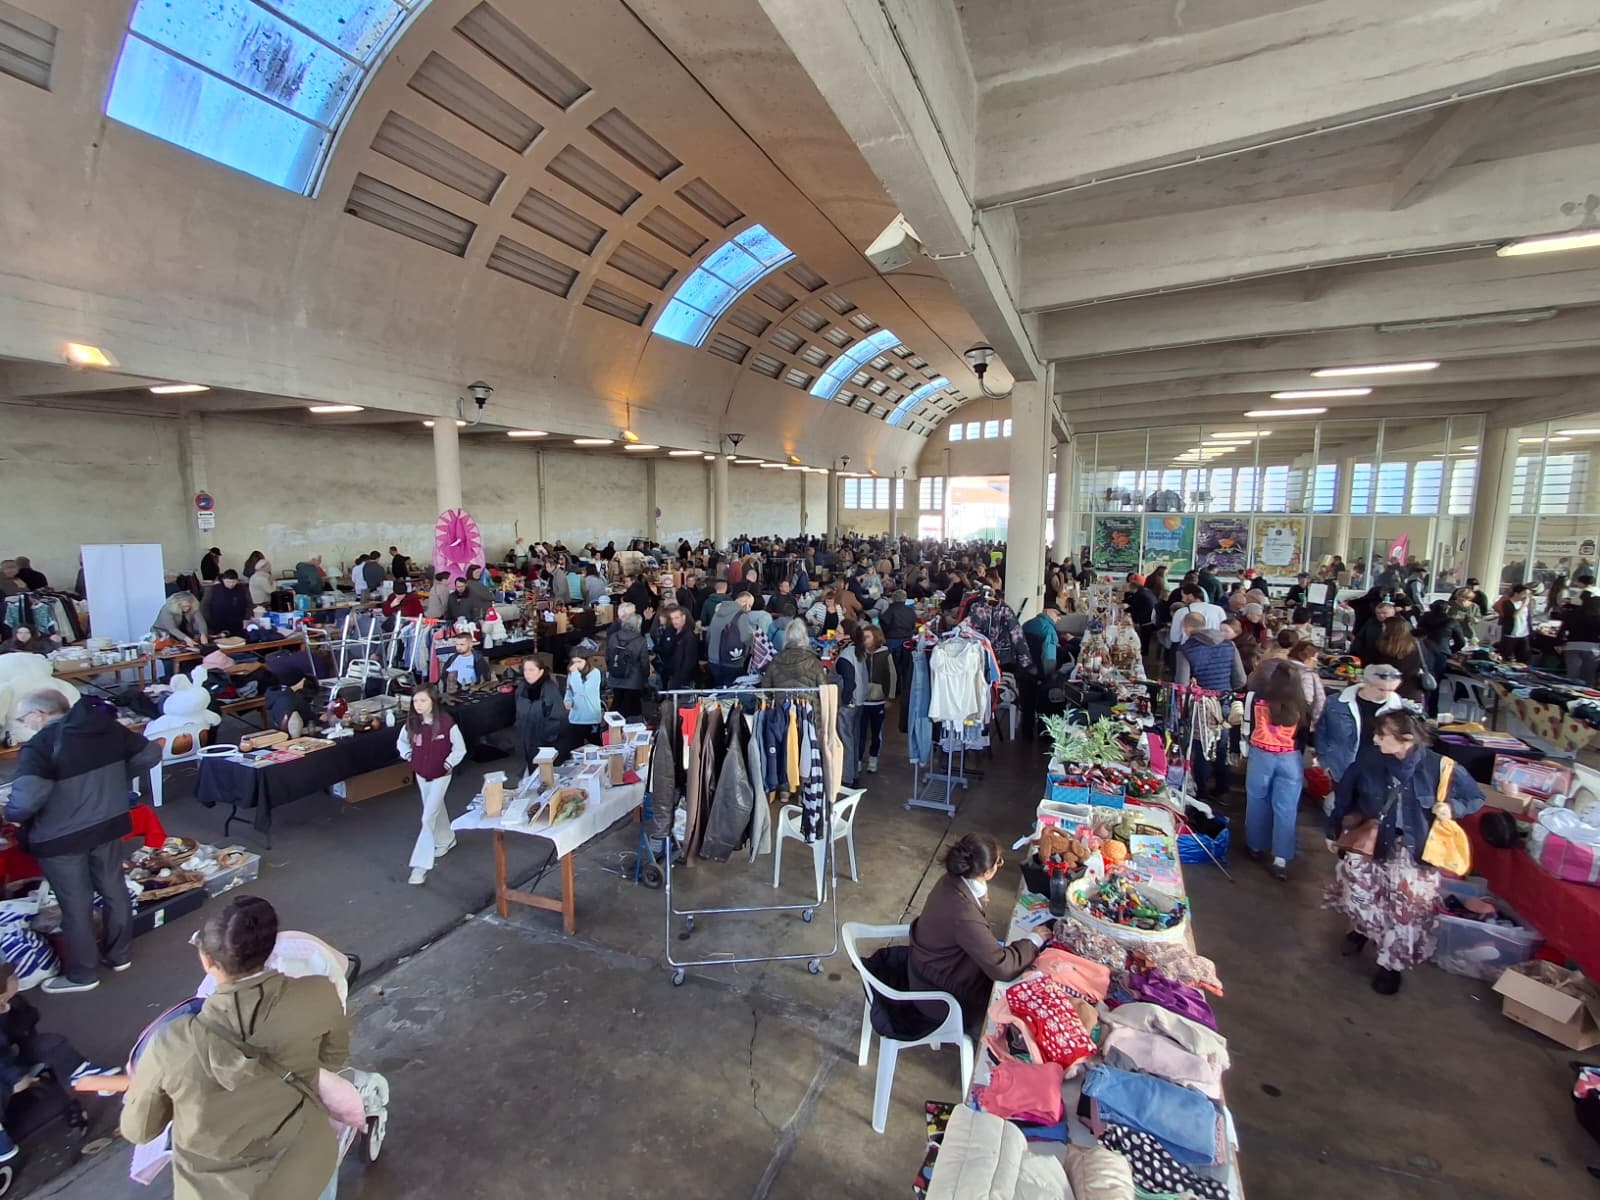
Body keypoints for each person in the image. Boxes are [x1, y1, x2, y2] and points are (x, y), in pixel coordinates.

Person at [121, 895, 349, 1198]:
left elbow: (139, 1130)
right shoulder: (319, 993)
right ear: (270, 949)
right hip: (305, 1167)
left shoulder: (170, 1043)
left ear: (207, 960)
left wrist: (145, 1090)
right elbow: (332, 1060)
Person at [5, 692, 159, 993]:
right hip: (109, 823)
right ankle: (119, 955)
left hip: (61, 837)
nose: (24, 724)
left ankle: (84, 974)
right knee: (114, 888)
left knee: (76, 904)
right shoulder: (105, 727)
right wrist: (117, 778)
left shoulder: (41, 744)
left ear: (39, 714)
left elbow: (27, 799)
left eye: (23, 718)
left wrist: (12, 814)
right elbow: (151, 754)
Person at [1324, 711, 1485, 995]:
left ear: (1406, 740)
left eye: (1382, 735)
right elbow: (1345, 796)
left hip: (1415, 849)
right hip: (1372, 842)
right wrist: (1333, 830)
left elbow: (1475, 797)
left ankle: (1391, 965)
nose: (1375, 740)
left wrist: (1452, 808)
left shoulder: (1440, 766)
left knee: (1407, 910)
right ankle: (1362, 930)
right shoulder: (1369, 760)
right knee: (1362, 896)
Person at [908, 834, 1051, 1031]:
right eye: (998, 862)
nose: (999, 866)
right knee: (1018, 999)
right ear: (987, 872)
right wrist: (1033, 940)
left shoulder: (950, 881)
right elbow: (1002, 967)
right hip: (940, 996)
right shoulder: (963, 914)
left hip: (927, 970)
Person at [1244, 663, 1311, 881]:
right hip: (1290, 758)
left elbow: (1247, 726)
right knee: (1286, 808)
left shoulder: (1256, 699)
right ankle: (1280, 859)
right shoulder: (1302, 706)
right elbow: (1305, 736)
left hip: (1261, 755)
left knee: (1257, 800)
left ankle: (1255, 846)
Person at [396, 685, 465, 886]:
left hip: (441, 775)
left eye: (423, 701)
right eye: (416, 701)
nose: (418, 705)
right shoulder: (412, 723)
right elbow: (401, 742)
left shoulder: (446, 723)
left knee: (427, 818)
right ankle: (446, 838)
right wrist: (410, 756)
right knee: (434, 808)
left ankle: (420, 868)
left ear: (432, 702)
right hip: (421, 774)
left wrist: (447, 764)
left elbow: (459, 748)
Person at [1174, 613, 1246, 800]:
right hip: (1224, 701)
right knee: (1222, 746)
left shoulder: (1185, 650)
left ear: (1186, 628)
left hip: (1201, 705)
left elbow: (1182, 685)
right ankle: (1223, 790)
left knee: (1202, 747)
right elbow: (1240, 679)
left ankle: (1202, 792)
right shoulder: (1229, 645)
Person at [1314, 663, 1411, 793]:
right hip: (1342, 766)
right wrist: (1325, 762)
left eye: (1391, 690)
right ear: (1366, 683)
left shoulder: (1399, 709)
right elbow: (1321, 732)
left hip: (1380, 769)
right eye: (1381, 689)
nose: (1386, 695)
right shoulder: (1336, 703)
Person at [515, 655, 572, 770]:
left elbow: (559, 718)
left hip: (545, 743)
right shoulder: (521, 688)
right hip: (526, 740)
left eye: (531, 670)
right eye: (525, 670)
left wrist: (545, 737)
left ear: (541, 671)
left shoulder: (549, 690)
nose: (527, 673)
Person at [1416, 601, 1466, 714]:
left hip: (1423, 650)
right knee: (1435, 683)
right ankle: (1432, 712)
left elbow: (1418, 633)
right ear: (1447, 609)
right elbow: (1461, 642)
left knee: (1422, 681)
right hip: (1441, 652)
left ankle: (1420, 710)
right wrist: (1451, 651)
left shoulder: (1424, 618)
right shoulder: (1451, 621)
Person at [858, 624, 895, 773]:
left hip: (878, 700)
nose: (864, 640)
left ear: (876, 638)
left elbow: (892, 675)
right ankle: (858, 760)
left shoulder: (885, 654)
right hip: (862, 700)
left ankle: (873, 759)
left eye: (867, 637)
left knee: (876, 732)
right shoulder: (860, 654)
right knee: (860, 733)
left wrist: (890, 697)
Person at [1367, 616, 1426, 703]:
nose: (1382, 630)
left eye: (1384, 627)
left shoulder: (1383, 647)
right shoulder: (1417, 644)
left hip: (1388, 689)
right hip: (1412, 690)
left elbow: (1374, 665)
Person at [762, 618, 828, 689]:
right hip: (808, 696)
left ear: (786, 637)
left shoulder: (776, 660)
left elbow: (766, 689)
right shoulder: (814, 660)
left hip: (783, 696)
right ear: (805, 637)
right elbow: (823, 688)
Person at [707, 591, 755, 685]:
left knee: (717, 688)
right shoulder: (741, 615)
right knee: (730, 691)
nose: (749, 609)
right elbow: (745, 639)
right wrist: (752, 636)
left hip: (713, 659)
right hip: (732, 661)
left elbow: (709, 634)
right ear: (744, 602)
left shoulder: (718, 611)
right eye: (749, 605)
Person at [606, 613, 649, 718]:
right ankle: (629, 724)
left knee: (617, 701)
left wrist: (612, 669)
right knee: (629, 706)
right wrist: (645, 678)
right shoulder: (641, 641)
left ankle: (609, 724)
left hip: (615, 676)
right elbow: (644, 663)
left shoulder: (613, 636)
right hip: (633, 679)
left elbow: (607, 657)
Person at [657, 605, 701, 692]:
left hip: (683, 680)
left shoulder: (688, 636)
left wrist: (678, 679)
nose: (674, 621)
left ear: (683, 617)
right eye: (672, 618)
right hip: (671, 674)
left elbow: (689, 661)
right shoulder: (671, 632)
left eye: (677, 618)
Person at [1560, 593, 1600, 685]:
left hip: (1572, 646)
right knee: (1588, 678)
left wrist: (1560, 643)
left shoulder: (1571, 614)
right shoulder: (1597, 617)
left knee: (1572, 678)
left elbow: (1562, 630)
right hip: (1592, 648)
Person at [264, 666, 313, 737]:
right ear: (295, 681)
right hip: (300, 732)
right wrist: (318, 720)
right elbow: (302, 721)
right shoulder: (292, 699)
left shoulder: (277, 695)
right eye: (302, 678)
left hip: (283, 733)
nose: (304, 679)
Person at [203, 569, 252, 636]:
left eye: (233, 582)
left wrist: (247, 618)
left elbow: (249, 605)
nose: (231, 584)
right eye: (228, 582)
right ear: (223, 580)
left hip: (238, 624)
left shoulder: (243, 589)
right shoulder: (213, 589)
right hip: (217, 624)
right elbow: (205, 606)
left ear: (237, 580)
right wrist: (209, 620)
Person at [1496, 583, 1533, 663]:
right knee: (1505, 656)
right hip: (1511, 633)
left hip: (1524, 633)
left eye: (1528, 594)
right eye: (1524, 594)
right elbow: (1515, 615)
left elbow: (1528, 618)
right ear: (1516, 593)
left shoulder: (1526, 604)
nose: (1526, 596)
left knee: (1524, 657)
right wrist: (1524, 605)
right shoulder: (1507, 603)